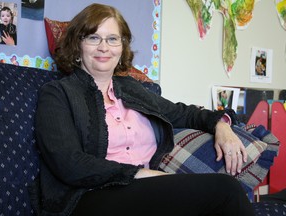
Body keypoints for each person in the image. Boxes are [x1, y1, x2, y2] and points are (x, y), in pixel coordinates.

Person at [29, 3, 255, 216]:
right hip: (87, 197)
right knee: (225, 190)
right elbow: (69, 163)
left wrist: (221, 125)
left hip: (145, 191)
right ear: (78, 44)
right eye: (93, 37)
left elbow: (184, 113)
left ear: (122, 46)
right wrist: (141, 174)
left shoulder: (132, 89)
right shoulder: (57, 93)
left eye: (112, 39)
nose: (104, 47)